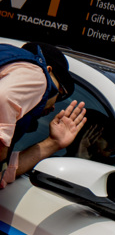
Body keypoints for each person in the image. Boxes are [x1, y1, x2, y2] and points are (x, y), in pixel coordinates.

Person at [1, 42, 84, 188]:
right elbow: (4, 99)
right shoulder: (38, 74)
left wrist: (53, 143)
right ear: (49, 70)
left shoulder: (12, 67)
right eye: (60, 94)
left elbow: (5, 171)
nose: (54, 107)